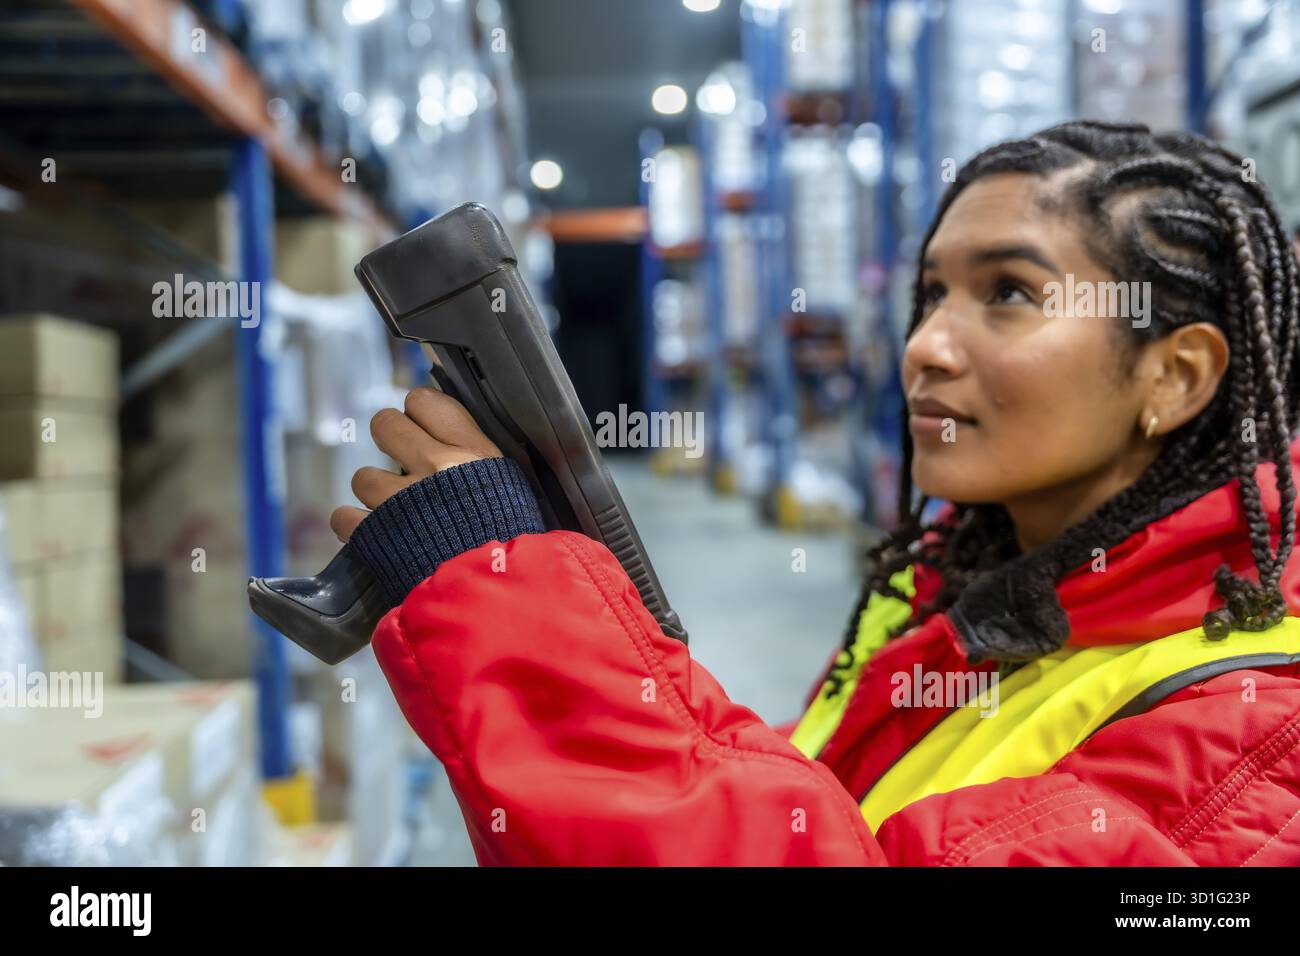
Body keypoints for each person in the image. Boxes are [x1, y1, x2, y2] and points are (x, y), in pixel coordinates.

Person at [331, 121, 1300, 865]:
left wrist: (519, 611)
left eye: (1008, 292)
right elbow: (805, 803)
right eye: (931, 295)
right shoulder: (965, 596)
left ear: (1173, 377)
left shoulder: (1253, 740)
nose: (925, 344)